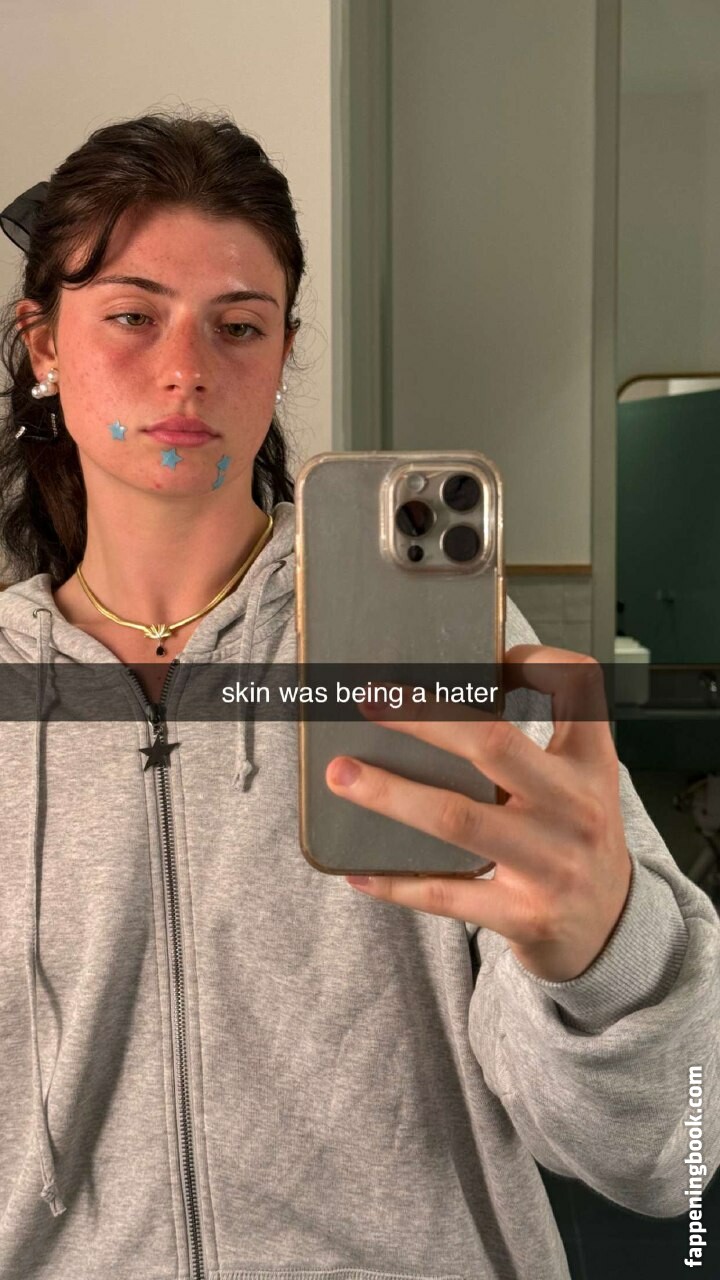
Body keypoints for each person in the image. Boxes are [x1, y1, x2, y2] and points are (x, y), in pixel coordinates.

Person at [0, 112, 716, 1280]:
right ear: (43, 343)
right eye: (132, 316)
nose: (186, 368)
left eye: (239, 325)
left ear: (281, 354)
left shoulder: (443, 651)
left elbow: (671, 1153)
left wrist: (607, 955)